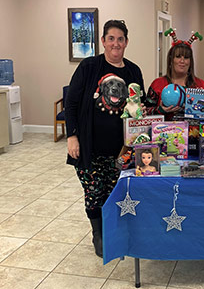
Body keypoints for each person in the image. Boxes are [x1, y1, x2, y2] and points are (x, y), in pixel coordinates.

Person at [65, 20, 145, 258]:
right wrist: (72, 136)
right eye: (111, 38)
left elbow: (138, 107)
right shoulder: (89, 67)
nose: (116, 43)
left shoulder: (133, 70)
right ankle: (98, 234)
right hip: (90, 146)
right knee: (94, 193)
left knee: (115, 192)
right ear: (103, 41)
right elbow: (71, 103)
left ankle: (114, 230)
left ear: (126, 42)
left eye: (120, 39)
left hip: (122, 150)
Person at [145, 30, 204, 120]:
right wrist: (160, 110)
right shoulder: (157, 84)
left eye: (186, 58)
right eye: (178, 57)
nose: (182, 61)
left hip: (193, 132)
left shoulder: (200, 85)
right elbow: (145, 112)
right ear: (171, 60)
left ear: (190, 62)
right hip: (163, 132)